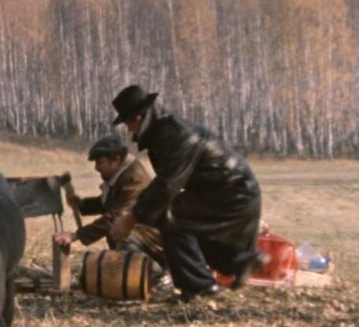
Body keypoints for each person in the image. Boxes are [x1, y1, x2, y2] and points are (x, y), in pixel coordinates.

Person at [108, 85, 262, 300]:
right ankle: (237, 260)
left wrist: (131, 216)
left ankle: (200, 286)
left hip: (232, 195)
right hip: (229, 192)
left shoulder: (175, 135)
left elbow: (166, 187)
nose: (129, 130)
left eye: (128, 124)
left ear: (138, 117)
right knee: (181, 223)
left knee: (169, 215)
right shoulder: (164, 132)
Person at [52, 133, 165, 263]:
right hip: (138, 236)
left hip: (149, 243)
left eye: (100, 162)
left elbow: (116, 216)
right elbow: (112, 202)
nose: (96, 167)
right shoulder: (123, 173)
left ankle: (155, 272)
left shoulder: (134, 180)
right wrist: (82, 204)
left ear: (115, 159)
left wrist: (76, 235)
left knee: (122, 235)